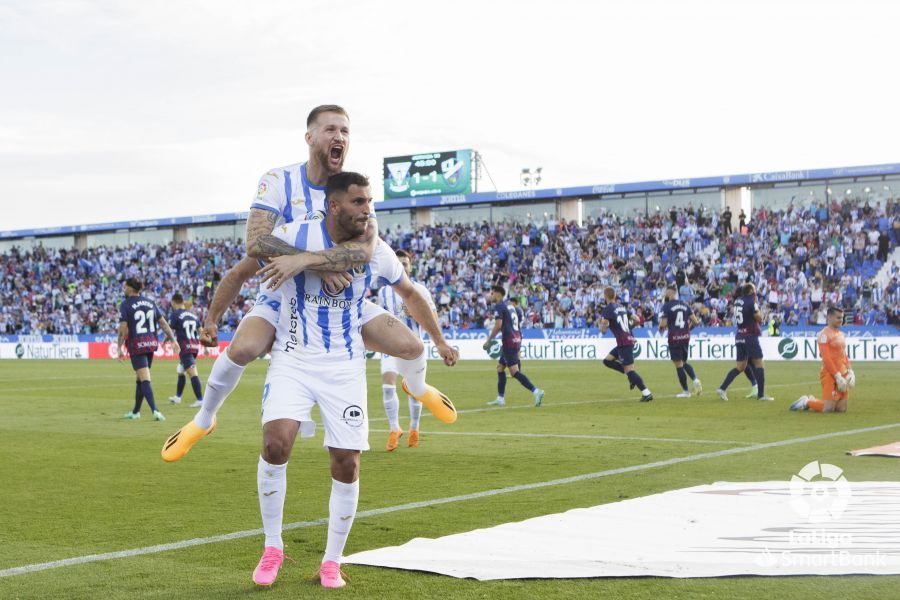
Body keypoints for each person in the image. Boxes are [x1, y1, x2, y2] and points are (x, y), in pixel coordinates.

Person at [162, 105, 436, 462]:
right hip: (282, 294)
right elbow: (255, 245)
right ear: (309, 138)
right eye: (330, 130)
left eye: (345, 131)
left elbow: (365, 250)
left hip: (339, 303)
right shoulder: (279, 181)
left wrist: (310, 262)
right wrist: (213, 318)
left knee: (411, 345)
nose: (339, 137)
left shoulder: (353, 191)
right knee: (243, 349)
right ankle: (204, 418)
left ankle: (418, 386)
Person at [246, 172, 458, 588]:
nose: (368, 210)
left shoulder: (375, 250)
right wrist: (294, 254)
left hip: (344, 364)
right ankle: (273, 547)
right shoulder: (297, 232)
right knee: (275, 443)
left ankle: (331, 560)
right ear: (335, 206)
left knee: (347, 462)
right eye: (359, 202)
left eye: (370, 202)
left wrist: (440, 340)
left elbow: (411, 294)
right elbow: (257, 244)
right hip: (293, 355)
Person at [376, 249, 438, 451]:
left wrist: (417, 317)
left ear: (410, 267)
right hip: (390, 346)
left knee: (414, 390)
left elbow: (433, 317)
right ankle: (394, 429)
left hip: (413, 347)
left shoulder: (420, 291)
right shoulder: (383, 292)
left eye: (405, 264)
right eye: (399, 263)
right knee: (388, 384)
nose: (402, 267)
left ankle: (414, 428)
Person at [117, 277, 179, 421]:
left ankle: (155, 411)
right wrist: (173, 340)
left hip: (136, 344)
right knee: (140, 378)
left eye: (125, 287)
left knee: (144, 378)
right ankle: (135, 412)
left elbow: (122, 328)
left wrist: (119, 347)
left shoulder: (125, 305)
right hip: (150, 343)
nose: (123, 289)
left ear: (131, 288)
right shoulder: (150, 303)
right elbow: (163, 324)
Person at [483, 288, 544, 407]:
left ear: (498, 294)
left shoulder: (500, 306)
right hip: (515, 338)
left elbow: (498, 325)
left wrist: (489, 341)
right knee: (500, 368)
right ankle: (500, 398)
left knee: (514, 372)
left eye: (492, 293)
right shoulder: (510, 306)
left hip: (508, 341)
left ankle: (536, 391)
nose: (490, 295)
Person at [790, 307, 855, 413]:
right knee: (828, 408)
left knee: (841, 409)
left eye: (842, 318)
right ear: (829, 317)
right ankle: (807, 401)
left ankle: (815, 401)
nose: (841, 320)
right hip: (830, 374)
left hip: (843, 374)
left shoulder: (841, 334)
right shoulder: (824, 335)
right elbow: (826, 358)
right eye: (838, 318)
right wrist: (837, 376)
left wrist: (850, 371)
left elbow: (844, 355)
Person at [716, 283, 774, 401]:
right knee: (759, 364)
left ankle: (722, 388)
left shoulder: (738, 301)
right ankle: (761, 395)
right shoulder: (751, 302)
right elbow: (760, 318)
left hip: (739, 336)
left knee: (740, 367)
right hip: (750, 336)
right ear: (751, 291)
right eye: (754, 290)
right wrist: (758, 307)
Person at [599, 286, 653, 401]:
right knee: (607, 361)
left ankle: (646, 393)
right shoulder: (621, 307)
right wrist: (628, 328)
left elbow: (603, 330)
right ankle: (629, 376)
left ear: (605, 297)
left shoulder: (608, 309)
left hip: (624, 343)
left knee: (630, 371)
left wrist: (601, 324)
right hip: (627, 340)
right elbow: (637, 320)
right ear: (614, 296)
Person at [658, 286, 701, 397]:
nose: (665, 294)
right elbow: (695, 322)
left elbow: (663, 324)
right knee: (684, 362)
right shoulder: (685, 305)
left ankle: (686, 391)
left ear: (671, 293)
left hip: (674, 337)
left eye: (666, 292)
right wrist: (687, 330)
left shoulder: (667, 306)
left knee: (678, 364)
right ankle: (695, 380)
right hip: (685, 336)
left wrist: (660, 327)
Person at [167, 293, 204, 408]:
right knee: (180, 370)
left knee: (192, 373)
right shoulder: (193, 315)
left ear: (174, 302)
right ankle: (177, 397)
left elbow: (169, 331)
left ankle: (200, 399)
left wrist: (165, 342)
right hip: (194, 347)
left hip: (185, 348)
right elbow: (201, 331)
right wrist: (206, 347)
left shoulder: (175, 315)